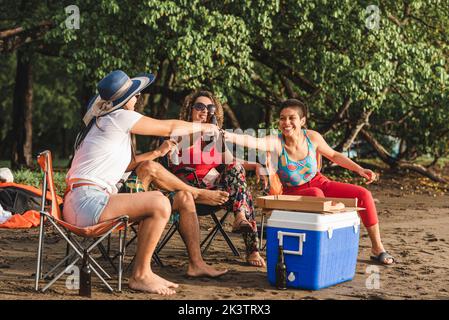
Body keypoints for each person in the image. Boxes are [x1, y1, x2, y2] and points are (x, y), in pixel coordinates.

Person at [63, 70, 228, 297]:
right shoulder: (119, 116)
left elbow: (127, 164)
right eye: (134, 94)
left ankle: (186, 263)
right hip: (89, 203)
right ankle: (141, 274)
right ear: (123, 100)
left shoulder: (101, 121)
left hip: (82, 201)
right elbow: (169, 127)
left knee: (171, 198)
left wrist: (157, 152)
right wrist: (204, 127)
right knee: (159, 202)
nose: (137, 97)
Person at [224, 98, 395, 265]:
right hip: (292, 192)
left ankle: (377, 248)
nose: (286, 122)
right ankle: (324, 248)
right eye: (282, 118)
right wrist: (225, 134)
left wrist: (359, 169)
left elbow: (334, 155)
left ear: (302, 120)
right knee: (316, 195)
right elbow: (253, 141)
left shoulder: (312, 137)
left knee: (363, 194)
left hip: (320, 182)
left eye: (292, 118)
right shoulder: (276, 142)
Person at [171, 90, 267, 268]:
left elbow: (232, 162)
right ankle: (251, 247)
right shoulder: (180, 132)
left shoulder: (215, 137)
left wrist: (255, 165)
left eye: (210, 107)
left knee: (236, 170)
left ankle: (240, 217)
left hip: (216, 192)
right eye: (199, 106)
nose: (205, 111)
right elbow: (172, 167)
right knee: (243, 194)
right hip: (190, 192)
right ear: (190, 109)